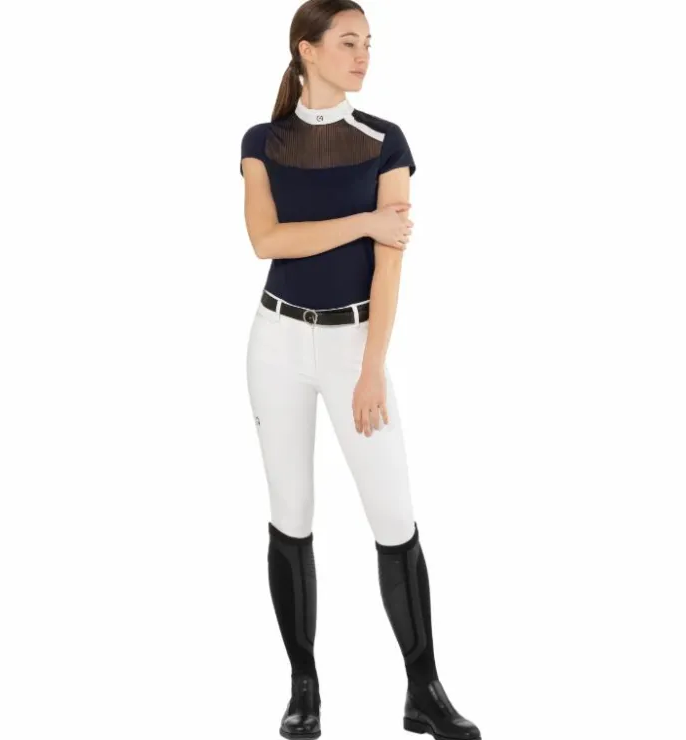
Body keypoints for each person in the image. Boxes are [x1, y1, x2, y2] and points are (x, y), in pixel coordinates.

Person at [240, 2, 481, 738]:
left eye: (369, 43)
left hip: (355, 348)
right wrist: (364, 222)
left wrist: (373, 367)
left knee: (394, 518)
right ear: (306, 50)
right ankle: (304, 689)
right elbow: (266, 240)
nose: (363, 55)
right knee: (291, 514)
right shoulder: (261, 142)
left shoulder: (386, 140)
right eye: (348, 42)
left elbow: (389, 263)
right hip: (276, 343)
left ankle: (423, 691)